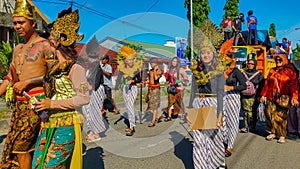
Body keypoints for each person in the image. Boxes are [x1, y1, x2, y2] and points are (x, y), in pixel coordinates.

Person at [31, 7, 89, 168]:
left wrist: (52, 104)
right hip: (48, 123)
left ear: (55, 44)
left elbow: (84, 98)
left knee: (51, 165)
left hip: (67, 125)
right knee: (38, 164)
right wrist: (42, 103)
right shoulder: (53, 70)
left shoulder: (76, 69)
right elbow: (55, 95)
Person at [0, 1, 55, 168]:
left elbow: (55, 76)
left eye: (21, 22)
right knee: (23, 149)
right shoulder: (17, 48)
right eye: (15, 23)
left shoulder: (46, 46)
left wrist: (28, 82)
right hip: (20, 106)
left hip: (37, 104)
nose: (17, 26)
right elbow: (10, 77)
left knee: (21, 147)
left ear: (33, 23)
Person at [188, 37, 225, 169]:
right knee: (198, 138)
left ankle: (218, 162)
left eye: (208, 52)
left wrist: (220, 113)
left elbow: (221, 93)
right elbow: (192, 92)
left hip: (212, 103)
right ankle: (201, 166)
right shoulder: (195, 71)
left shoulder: (219, 71)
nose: (206, 55)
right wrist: (189, 111)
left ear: (213, 54)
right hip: (198, 103)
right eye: (203, 53)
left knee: (214, 138)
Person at [260, 54, 299, 143]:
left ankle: (282, 135)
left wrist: (294, 97)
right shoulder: (272, 70)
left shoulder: (290, 71)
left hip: (284, 96)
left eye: (280, 60)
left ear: (284, 60)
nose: (277, 61)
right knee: (270, 114)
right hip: (271, 95)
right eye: (276, 60)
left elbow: (294, 85)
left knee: (281, 116)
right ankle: (273, 132)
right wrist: (263, 95)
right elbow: (267, 84)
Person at [223, 53, 247, 157]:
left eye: (227, 57)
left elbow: (244, 85)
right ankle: (224, 139)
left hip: (233, 97)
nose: (225, 59)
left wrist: (231, 88)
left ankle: (230, 145)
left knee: (232, 121)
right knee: (221, 121)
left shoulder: (236, 71)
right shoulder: (219, 70)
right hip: (221, 97)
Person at [115, 45, 142, 136]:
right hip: (125, 88)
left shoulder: (136, 68)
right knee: (128, 106)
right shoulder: (122, 68)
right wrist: (114, 90)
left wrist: (133, 80)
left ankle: (132, 126)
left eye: (132, 60)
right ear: (125, 60)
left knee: (130, 106)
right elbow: (118, 79)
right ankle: (131, 124)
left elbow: (140, 80)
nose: (131, 61)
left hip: (133, 88)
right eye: (129, 60)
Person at [82, 48, 106, 143]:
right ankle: (91, 130)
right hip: (89, 91)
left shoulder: (98, 69)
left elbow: (94, 85)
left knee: (94, 111)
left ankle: (97, 133)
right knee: (86, 110)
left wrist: (86, 87)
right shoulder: (88, 70)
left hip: (96, 91)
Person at [240, 58, 264, 133]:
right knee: (245, 111)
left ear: (255, 65)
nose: (250, 65)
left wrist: (261, 96)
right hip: (244, 95)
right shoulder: (243, 73)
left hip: (254, 96)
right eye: (249, 63)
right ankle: (246, 126)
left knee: (253, 111)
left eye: (252, 64)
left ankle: (252, 126)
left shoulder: (259, 74)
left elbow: (262, 86)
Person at [164, 57, 188, 122]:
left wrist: (177, 81)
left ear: (178, 63)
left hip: (179, 89)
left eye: (175, 61)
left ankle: (183, 113)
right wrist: (168, 82)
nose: (174, 63)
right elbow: (168, 79)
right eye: (173, 61)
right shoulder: (170, 70)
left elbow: (185, 78)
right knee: (170, 102)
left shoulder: (181, 70)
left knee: (179, 102)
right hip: (171, 88)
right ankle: (169, 116)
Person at [146, 58, 163, 127]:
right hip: (150, 89)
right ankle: (158, 115)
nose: (151, 65)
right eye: (150, 63)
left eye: (153, 63)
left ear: (156, 63)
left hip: (156, 89)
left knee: (155, 105)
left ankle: (153, 121)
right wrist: (144, 82)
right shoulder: (150, 71)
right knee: (151, 104)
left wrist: (156, 70)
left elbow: (156, 78)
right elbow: (150, 79)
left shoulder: (159, 71)